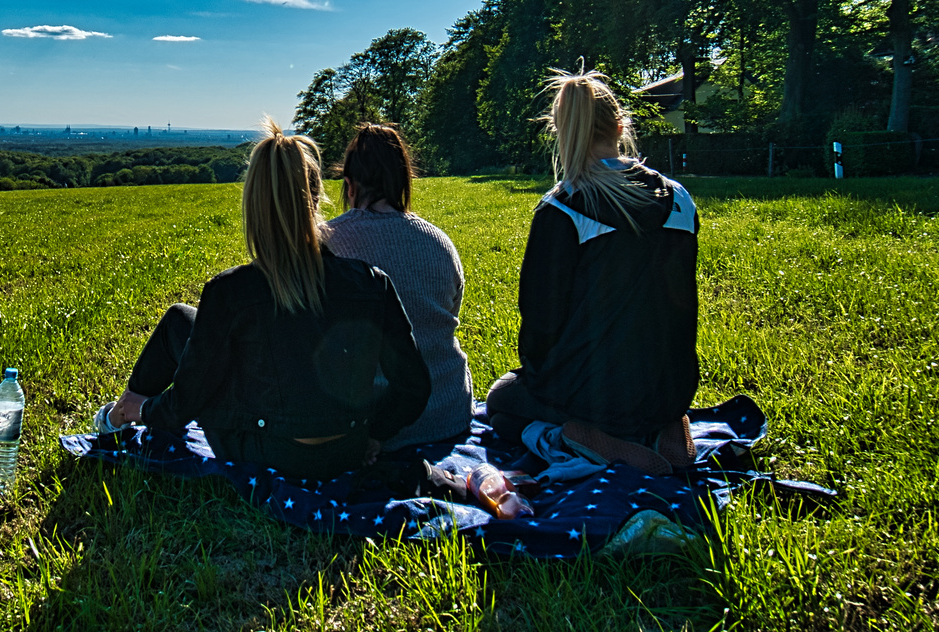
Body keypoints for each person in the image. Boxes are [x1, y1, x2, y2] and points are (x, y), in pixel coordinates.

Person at [95, 118, 431, 479]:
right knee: (183, 320)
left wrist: (142, 411)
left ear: (252, 204)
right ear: (316, 198)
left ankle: (119, 415)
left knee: (179, 321)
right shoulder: (370, 283)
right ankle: (123, 411)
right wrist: (373, 434)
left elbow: (184, 405)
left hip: (264, 450)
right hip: (346, 451)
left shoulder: (231, 292)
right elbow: (414, 387)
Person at [485, 68, 701, 475]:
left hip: (593, 393)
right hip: (670, 382)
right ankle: (669, 423)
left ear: (561, 132)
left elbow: (540, 322)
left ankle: (581, 437)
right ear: (620, 126)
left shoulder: (563, 208)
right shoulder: (679, 199)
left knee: (502, 402)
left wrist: (535, 376)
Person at [324, 124, 475, 450]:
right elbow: (449, 314)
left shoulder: (326, 243)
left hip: (367, 426)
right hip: (448, 415)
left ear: (349, 185)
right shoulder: (440, 243)